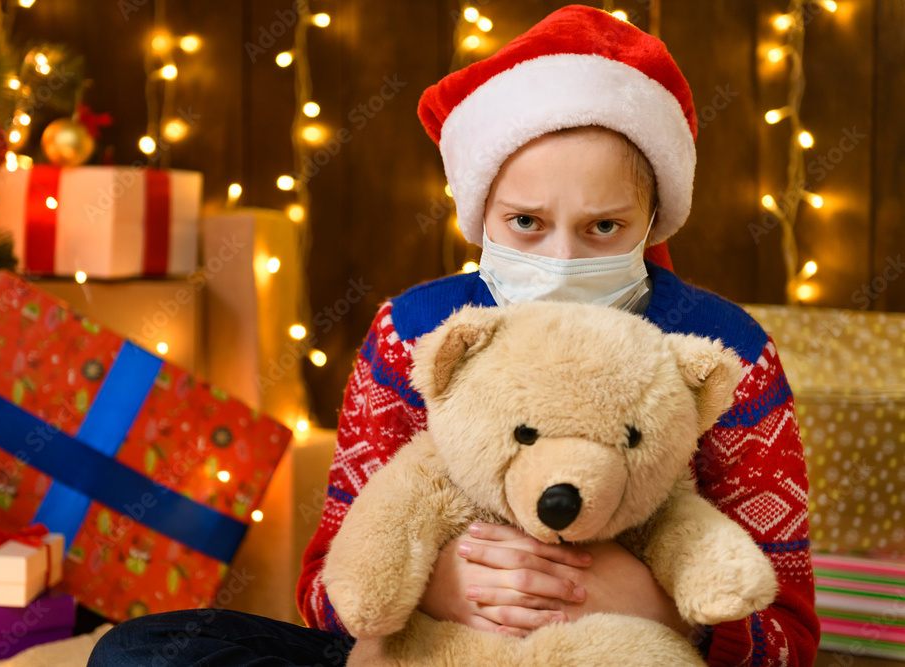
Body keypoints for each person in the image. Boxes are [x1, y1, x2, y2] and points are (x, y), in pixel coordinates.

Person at [89, 5, 819, 666]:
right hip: (438, 649)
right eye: (526, 222)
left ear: (653, 219)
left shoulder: (725, 353)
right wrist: (436, 583)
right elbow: (325, 594)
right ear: (480, 215)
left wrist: (656, 604)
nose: (561, 259)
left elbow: (790, 638)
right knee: (138, 654)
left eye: (604, 227)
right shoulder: (417, 333)